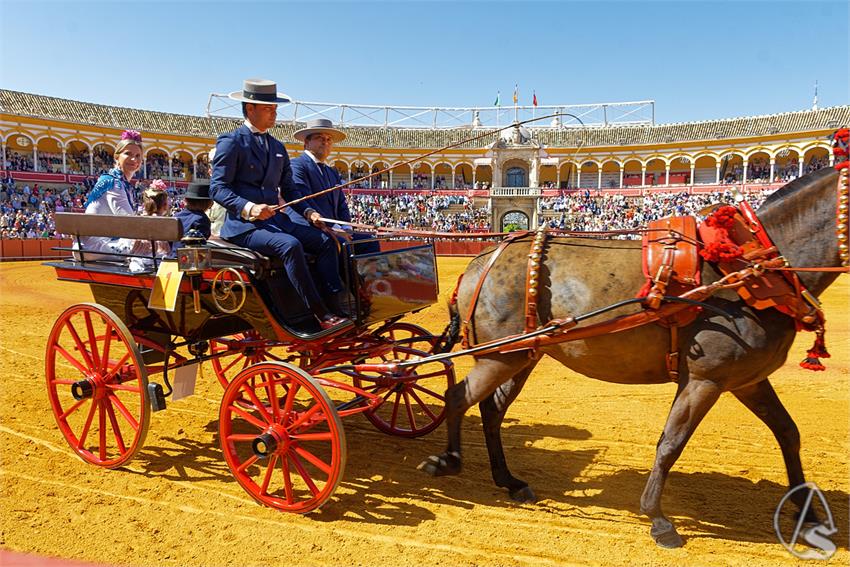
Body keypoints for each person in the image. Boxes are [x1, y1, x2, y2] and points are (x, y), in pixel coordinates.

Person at [210, 79, 350, 330]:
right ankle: (318, 313)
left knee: (327, 241)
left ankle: (336, 303)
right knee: (291, 245)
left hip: (275, 221)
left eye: (274, 107)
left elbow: (289, 189)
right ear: (250, 108)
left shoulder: (277, 147)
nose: (274, 112)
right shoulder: (231, 142)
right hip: (244, 227)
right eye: (268, 108)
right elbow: (218, 189)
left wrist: (309, 213)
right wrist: (249, 207)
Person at [288, 118, 381, 255]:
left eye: (329, 139)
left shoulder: (331, 172)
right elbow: (305, 200)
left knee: (369, 241)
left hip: (334, 228)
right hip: (309, 227)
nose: (325, 142)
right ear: (306, 143)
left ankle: (365, 277)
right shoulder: (296, 165)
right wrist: (336, 228)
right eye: (319, 138)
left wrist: (346, 227)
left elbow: (341, 204)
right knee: (341, 243)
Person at [80, 129, 144, 255]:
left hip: (92, 245)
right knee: (153, 251)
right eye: (128, 154)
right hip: (95, 247)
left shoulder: (119, 182)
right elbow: (128, 220)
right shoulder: (115, 183)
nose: (133, 159)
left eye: (137, 156)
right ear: (116, 157)